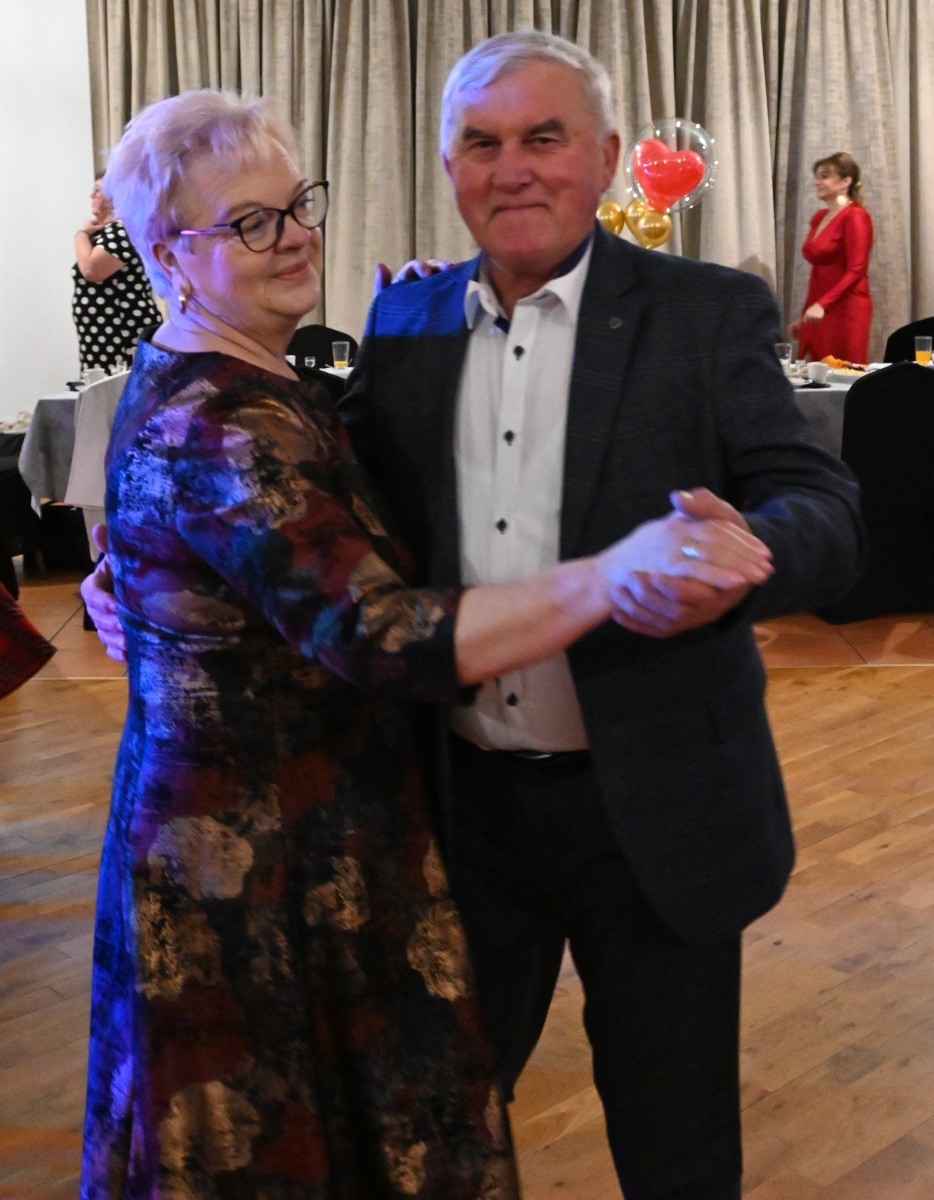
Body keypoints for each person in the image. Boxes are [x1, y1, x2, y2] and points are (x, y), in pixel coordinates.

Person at [78, 88, 773, 1199]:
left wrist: (141, 573)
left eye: (295, 205)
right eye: (249, 223)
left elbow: (315, 516)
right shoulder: (219, 418)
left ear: (599, 161)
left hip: (355, 830)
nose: (292, 236)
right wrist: (614, 573)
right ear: (169, 253)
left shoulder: (277, 375)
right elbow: (375, 625)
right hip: (263, 864)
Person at [73, 170, 162, 371]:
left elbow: (91, 270)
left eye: (97, 190)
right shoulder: (107, 232)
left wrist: (80, 234)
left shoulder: (122, 230)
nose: (92, 195)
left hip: (121, 332)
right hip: (105, 335)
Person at [789, 152, 873, 364]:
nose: (817, 182)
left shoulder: (855, 216)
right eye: (817, 176)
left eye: (824, 176)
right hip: (819, 307)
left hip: (846, 308)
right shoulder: (819, 218)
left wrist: (823, 305)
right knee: (813, 371)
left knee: (844, 371)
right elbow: (818, 275)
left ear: (846, 181)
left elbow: (857, 269)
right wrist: (805, 314)